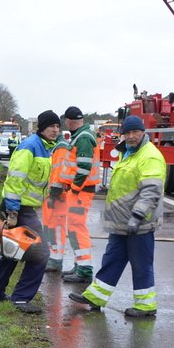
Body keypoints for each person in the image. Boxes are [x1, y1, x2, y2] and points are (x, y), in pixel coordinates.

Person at [69, 115, 165, 318]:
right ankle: (96, 297)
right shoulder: (127, 153)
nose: (130, 136)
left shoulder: (150, 156)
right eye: (127, 133)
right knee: (112, 259)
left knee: (141, 263)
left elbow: (151, 190)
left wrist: (137, 216)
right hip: (121, 222)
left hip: (139, 222)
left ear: (143, 132)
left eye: (134, 132)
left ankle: (146, 306)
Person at [0, 110, 60, 314]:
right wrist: (12, 213)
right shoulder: (30, 147)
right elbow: (14, 180)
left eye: (57, 126)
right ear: (42, 127)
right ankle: (20, 298)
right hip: (18, 209)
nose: (55, 130)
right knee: (40, 253)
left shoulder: (46, 148)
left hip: (24, 208)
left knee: (11, 251)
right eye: (51, 126)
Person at [58, 106, 102, 283]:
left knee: (77, 228)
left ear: (69, 121)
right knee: (74, 228)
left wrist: (74, 190)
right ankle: (80, 264)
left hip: (80, 192)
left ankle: (84, 269)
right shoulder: (82, 135)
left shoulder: (83, 138)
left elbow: (83, 168)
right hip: (79, 191)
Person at [42, 129, 71, 272]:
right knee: (50, 228)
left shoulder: (60, 148)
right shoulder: (57, 147)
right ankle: (53, 257)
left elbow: (59, 175)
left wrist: (53, 195)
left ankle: (56, 260)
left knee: (56, 229)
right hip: (55, 196)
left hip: (58, 197)